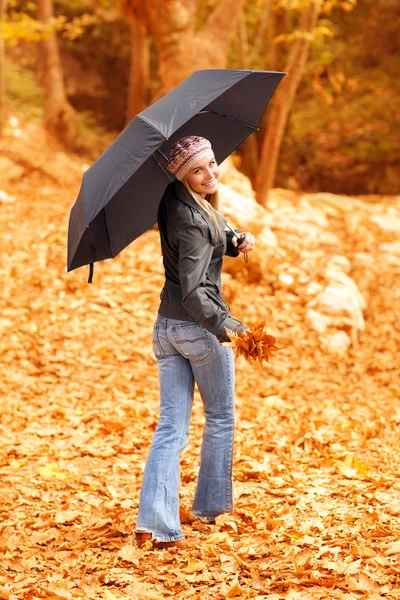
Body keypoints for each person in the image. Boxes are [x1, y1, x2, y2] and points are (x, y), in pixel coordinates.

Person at [135, 136, 255, 549]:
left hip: (166, 330)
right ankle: (211, 509)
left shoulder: (175, 199)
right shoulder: (192, 219)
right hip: (197, 328)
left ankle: (156, 524)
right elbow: (193, 290)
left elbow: (212, 229)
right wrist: (230, 325)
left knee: (171, 427)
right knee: (220, 417)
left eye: (212, 164)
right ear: (183, 174)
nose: (210, 174)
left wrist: (235, 238)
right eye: (198, 170)